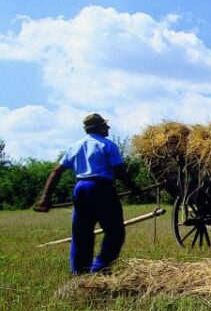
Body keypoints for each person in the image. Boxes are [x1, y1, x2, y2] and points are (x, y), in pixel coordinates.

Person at [33, 113, 139, 276]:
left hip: (81, 188)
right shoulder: (108, 145)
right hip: (101, 188)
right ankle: (99, 269)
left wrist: (45, 198)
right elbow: (119, 171)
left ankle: (79, 275)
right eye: (105, 125)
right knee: (115, 232)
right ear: (98, 127)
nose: (108, 128)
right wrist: (134, 188)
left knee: (81, 234)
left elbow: (56, 172)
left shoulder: (74, 146)